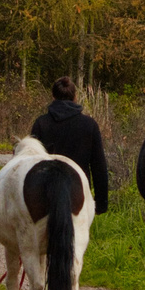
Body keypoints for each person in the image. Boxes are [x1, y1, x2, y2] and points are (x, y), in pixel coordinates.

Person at [29, 77, 109, 215]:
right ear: (75, 97)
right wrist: (101, 204)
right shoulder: (89, 125)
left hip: (46, 196)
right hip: (79, 196)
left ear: (53, 96)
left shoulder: (41, 124)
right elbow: (99, 167)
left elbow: (31, 163)